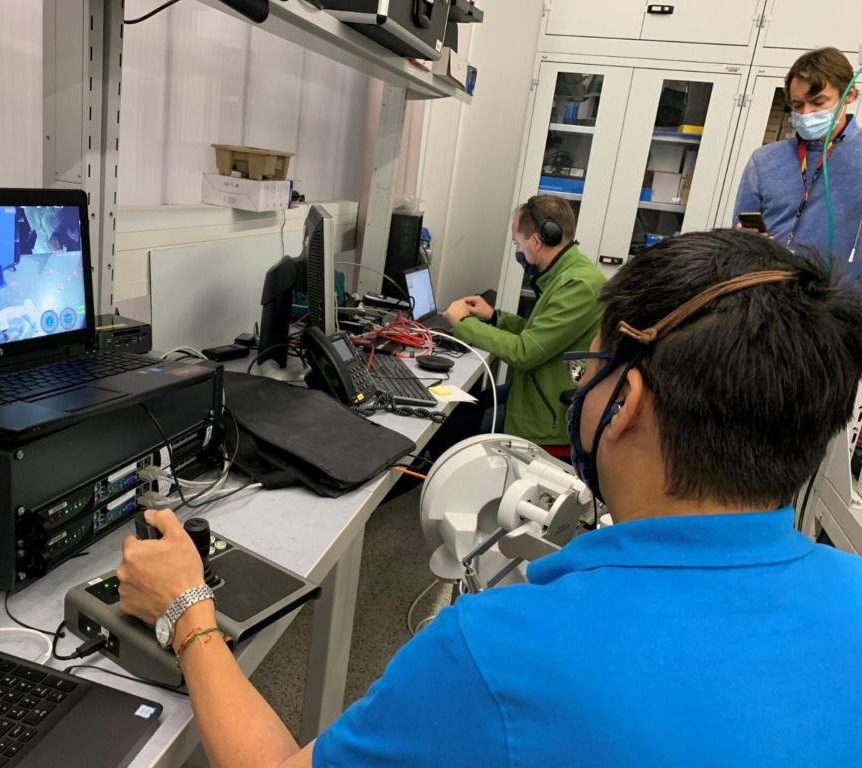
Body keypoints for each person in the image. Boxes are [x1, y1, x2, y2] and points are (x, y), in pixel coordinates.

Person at [117, 229, 862, 766]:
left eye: (591, 368)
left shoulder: (500, 653)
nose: (585, 384)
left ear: (625, 400)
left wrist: (187, 610)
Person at [441, 194, 605, 446]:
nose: (518, 250)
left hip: (548, 418)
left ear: (537, 241)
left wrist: (463, 324)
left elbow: (525, 352)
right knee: (456, 409)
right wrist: (494, 317)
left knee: (444, 434)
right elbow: (538, 336)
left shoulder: (579, 285)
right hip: (537, 393)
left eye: (518, 243)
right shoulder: (565, 275)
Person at [733, 46, 862, 282]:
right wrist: (746, 238)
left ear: (850, 95)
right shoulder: (764, 161)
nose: (807, 113)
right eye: (798, 105)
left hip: (839, 305)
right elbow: (739, 233)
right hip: (770, 296)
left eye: (818, 102)